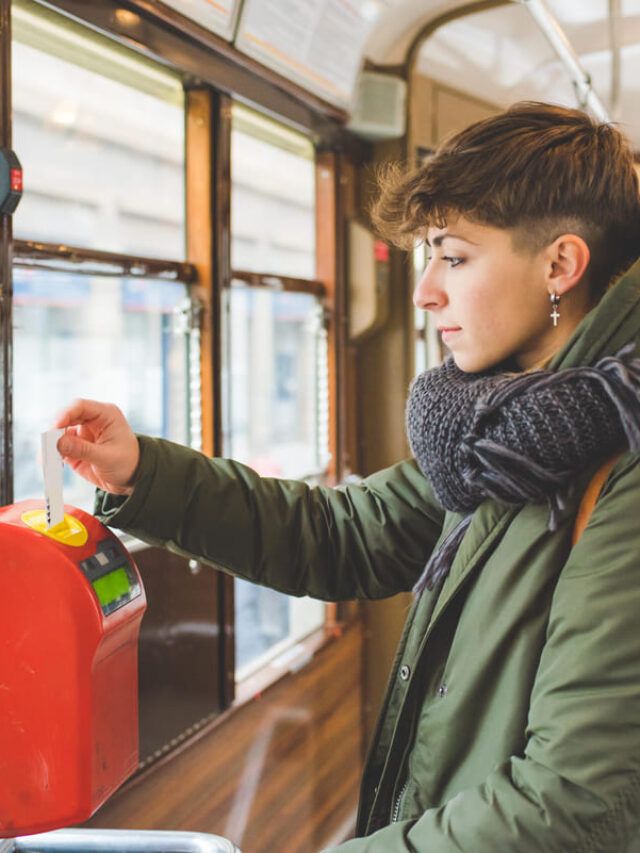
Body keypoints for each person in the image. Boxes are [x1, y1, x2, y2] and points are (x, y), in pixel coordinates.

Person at [56, 102, 640, 851]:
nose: (426, 290)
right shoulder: (518, 430)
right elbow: (347, 532)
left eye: (453, 257)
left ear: (560, 264)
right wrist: (146, 473)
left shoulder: (615, 460)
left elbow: (575, 803)